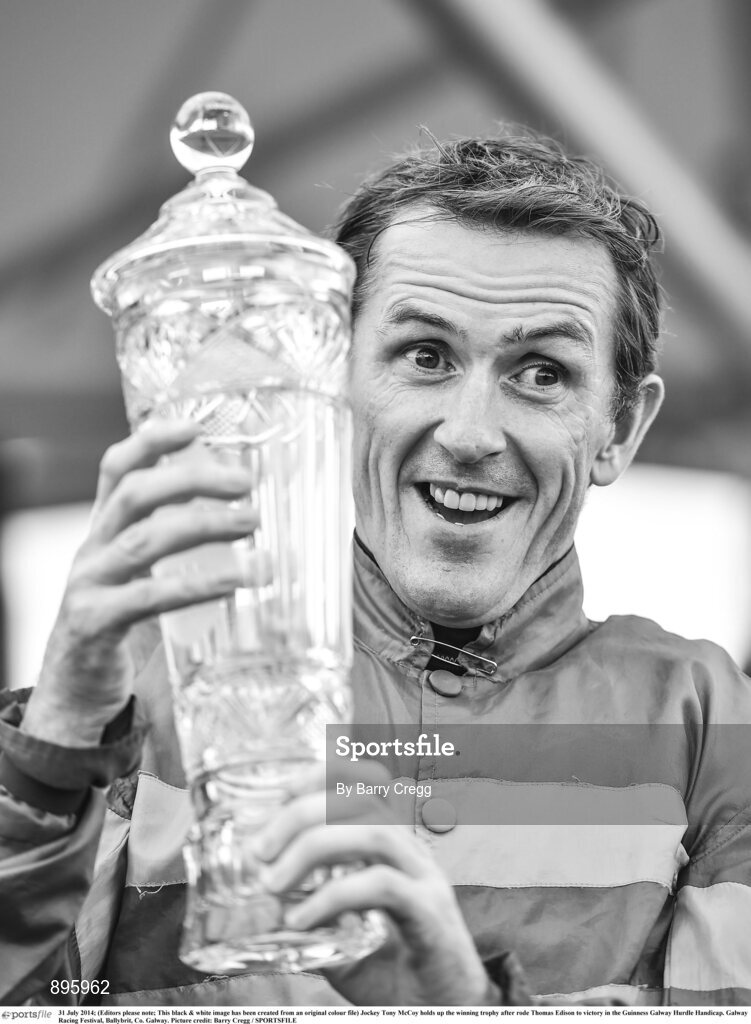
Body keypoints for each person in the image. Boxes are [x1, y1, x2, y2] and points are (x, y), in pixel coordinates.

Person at [1, 128, 750, 1007]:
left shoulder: (711, 723)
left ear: (618, 429)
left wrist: (457, 1004)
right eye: (424, 356)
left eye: (542, 373)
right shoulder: (156, 693)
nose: (469, 434)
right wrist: (53, 741)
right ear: (333, 381)